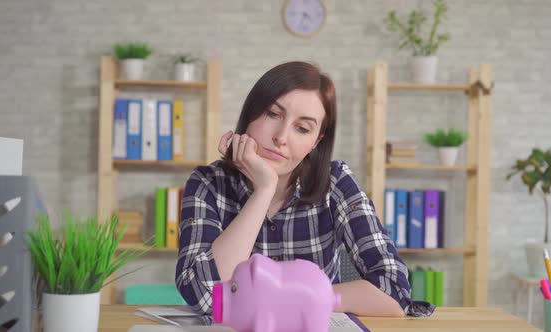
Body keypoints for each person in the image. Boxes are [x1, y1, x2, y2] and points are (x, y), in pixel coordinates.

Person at [175, 61, 434, 317]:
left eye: (302, 128)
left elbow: (394, 292)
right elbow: (204, 296)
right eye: (273, 114)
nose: (281, 137)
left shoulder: (336, 182)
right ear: (250, 114)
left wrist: (304, 299)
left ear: (315, 142)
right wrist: (264, 190)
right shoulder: (207, 183)